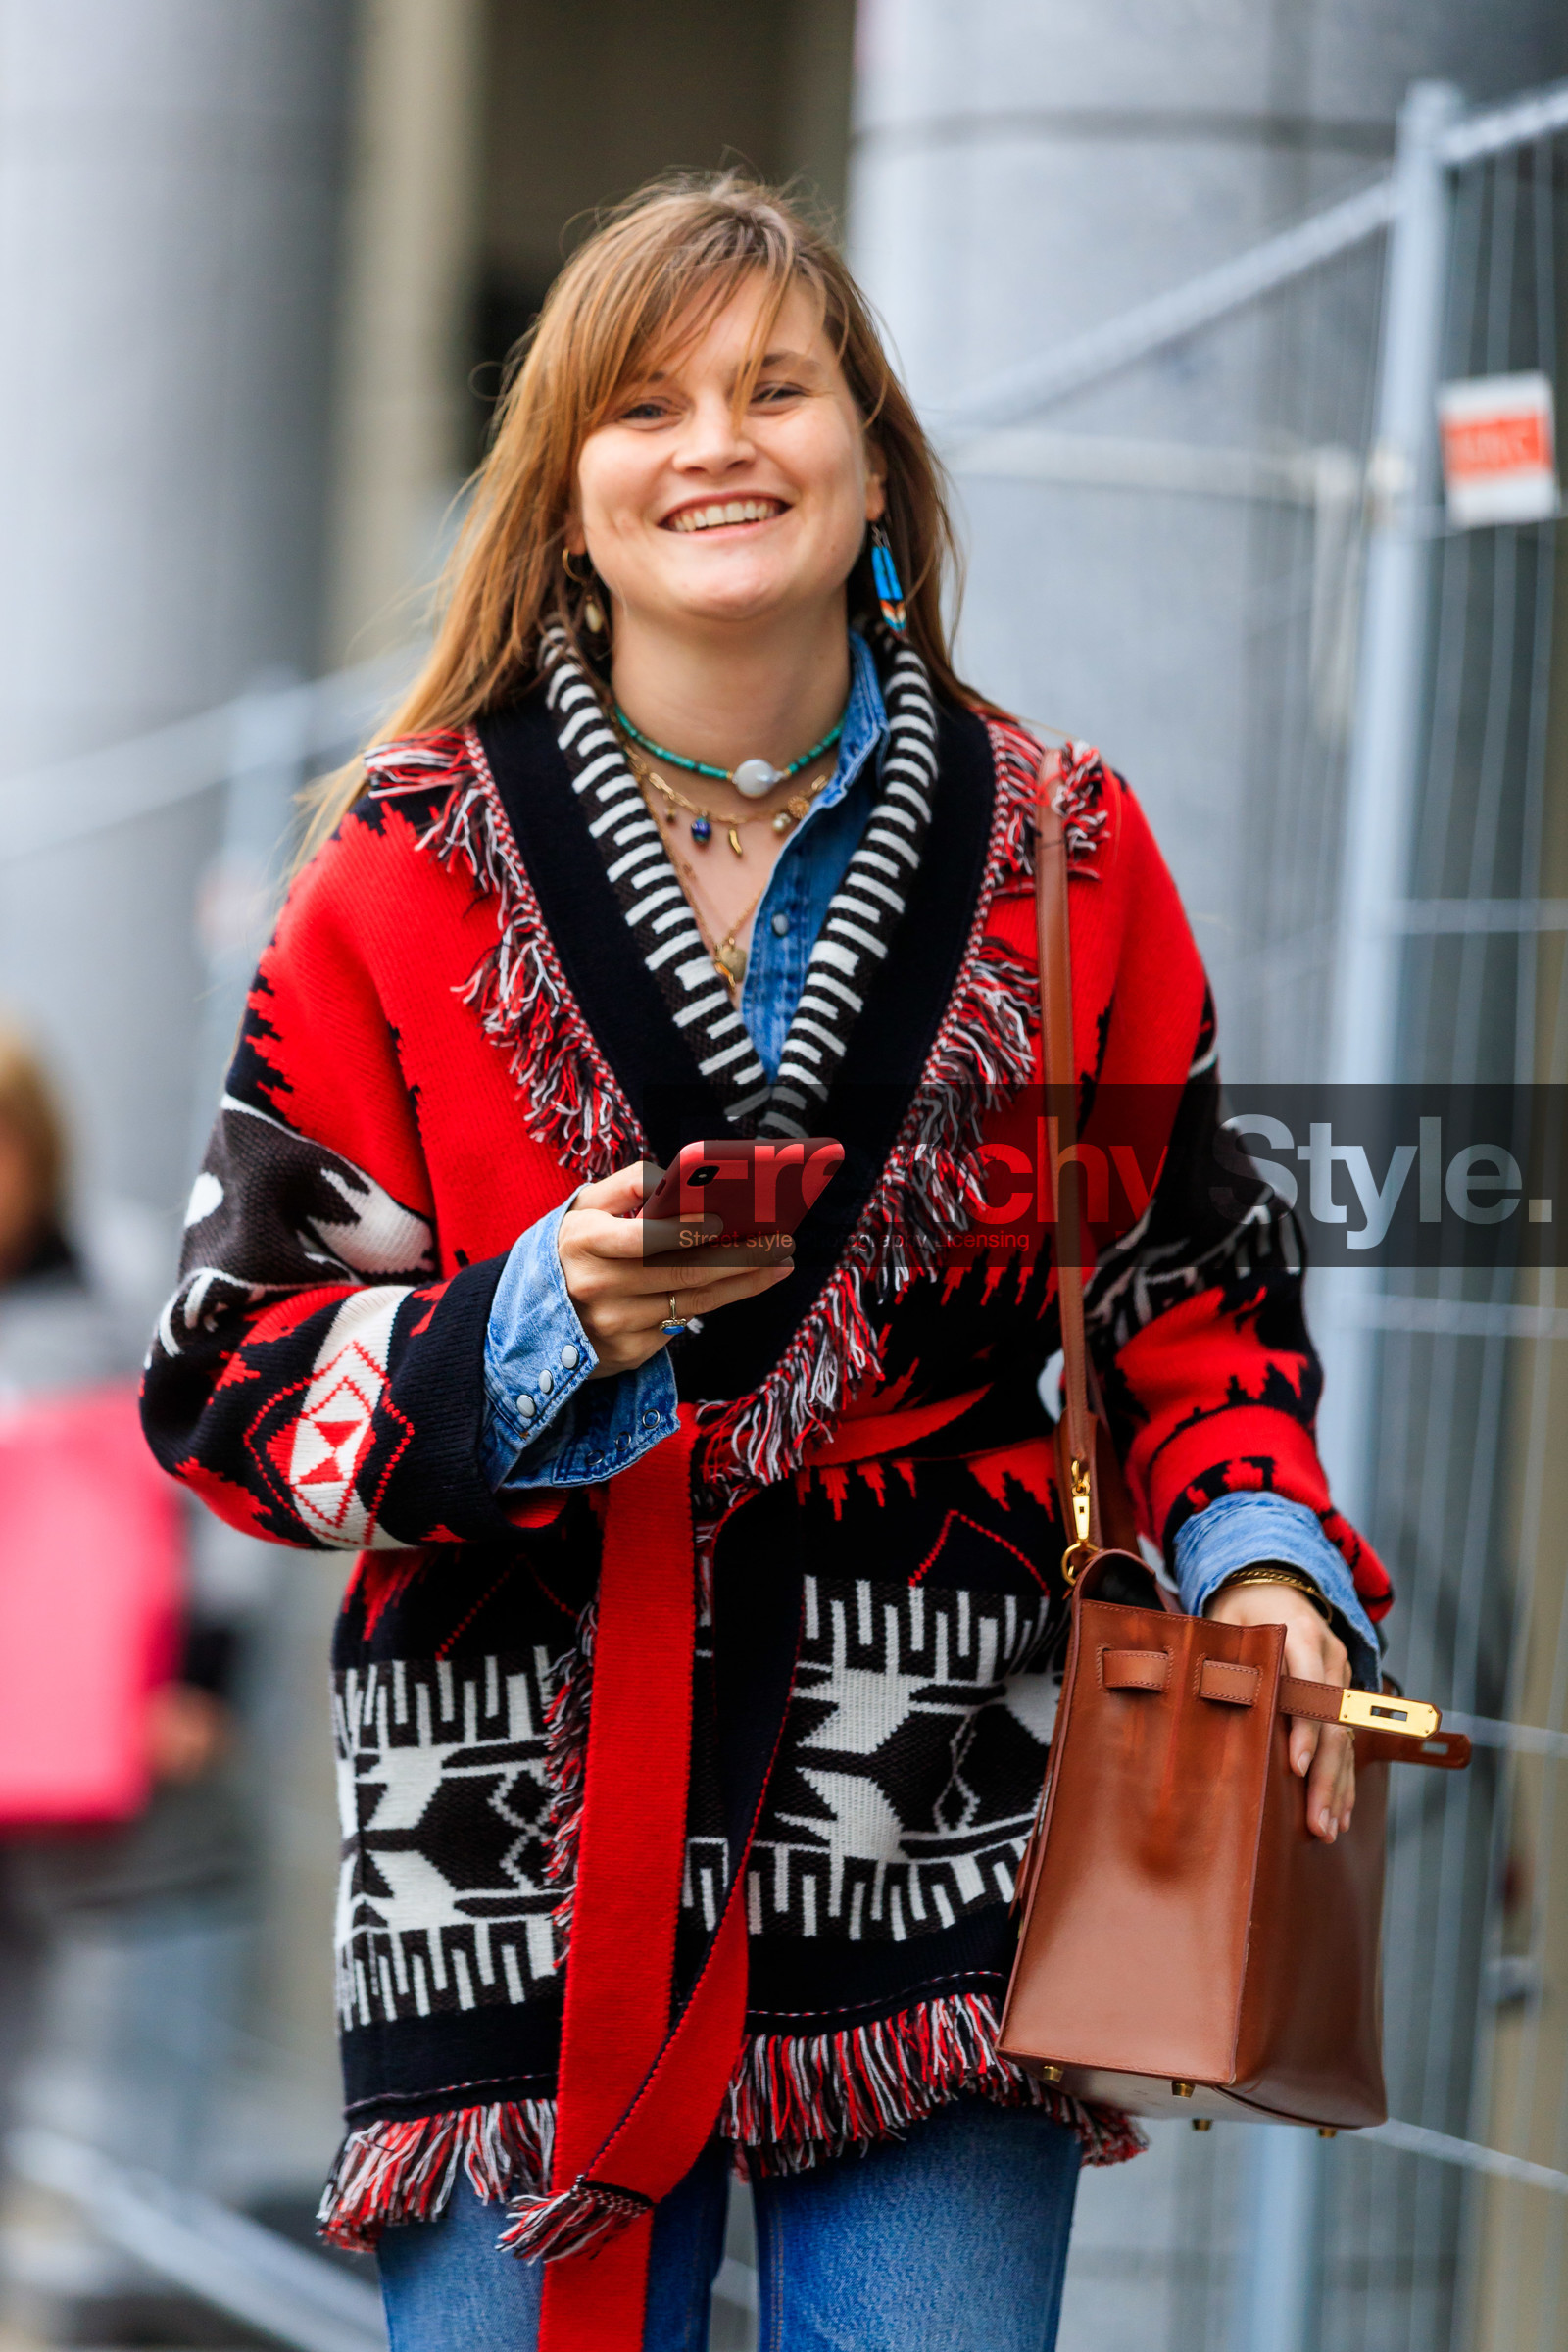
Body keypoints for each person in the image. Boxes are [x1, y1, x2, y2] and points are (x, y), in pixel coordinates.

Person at [141, 177, 1390, 2352]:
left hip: (945, 1821)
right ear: (571, 493)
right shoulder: (401, 868)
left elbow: (1191, 1303)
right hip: (512, 1844)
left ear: (868, 457)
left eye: (772, 388)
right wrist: (539, 1322)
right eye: (644, 405)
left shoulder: (1064, 848)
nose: (714, 439)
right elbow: (228, 1373)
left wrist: (1264, 1568)